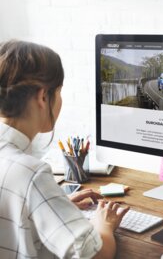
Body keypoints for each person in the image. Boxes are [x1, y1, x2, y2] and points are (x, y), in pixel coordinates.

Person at [0, 40, 129, 259]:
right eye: (58, 92)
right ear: (43, 97)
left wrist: (53, 206)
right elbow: (95, 255)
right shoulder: (31, 172)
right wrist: (103, 224)